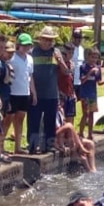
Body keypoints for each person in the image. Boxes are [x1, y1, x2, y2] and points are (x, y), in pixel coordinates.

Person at [29, 26, 69, 154]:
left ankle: (49, 146)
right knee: (34, 121)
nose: (47, 42)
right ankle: (32, 146)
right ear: (40, 39)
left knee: (50, 121)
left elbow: (66, 72)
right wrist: (33, 92)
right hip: (37, 94)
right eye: (45, 39)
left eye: (50, 40)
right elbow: (29, 74)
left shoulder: (56, 52)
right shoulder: (33, 52)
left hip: (52, 94)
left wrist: (60, 60)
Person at [8, 33, 34, 154]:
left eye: (28, 45)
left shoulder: (30, 59)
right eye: (24, 45)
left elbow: (30, 77)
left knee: (20, 120)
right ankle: (0, 147)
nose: (26, 48)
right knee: (8, 120)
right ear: (18, 45)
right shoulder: (12, 58)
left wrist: (34, 93)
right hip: (13, 92)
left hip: (25, 93)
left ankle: (17, 147)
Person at [77, 47, 104, 140]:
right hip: (85, 94)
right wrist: (90, 72)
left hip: (93, 94)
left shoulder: (98, 69)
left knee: (92, 114)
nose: (94, 60)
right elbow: (82, 80)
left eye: (96, 58)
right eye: (92, 57)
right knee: (85, 113)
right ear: (88, 57)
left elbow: (99, 82)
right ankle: (80, 133)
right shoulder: (83, 67)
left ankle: (90, 134)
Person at [58, 42, 77, 129]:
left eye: (72, 53)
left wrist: (74, 93)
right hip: (61, 94)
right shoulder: (59, 64)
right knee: (62, 119)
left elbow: (71, 79)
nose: (70, 55)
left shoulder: (72, 64)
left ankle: (69, 138)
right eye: (69, 53)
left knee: (70, 118)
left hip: (70, 94)